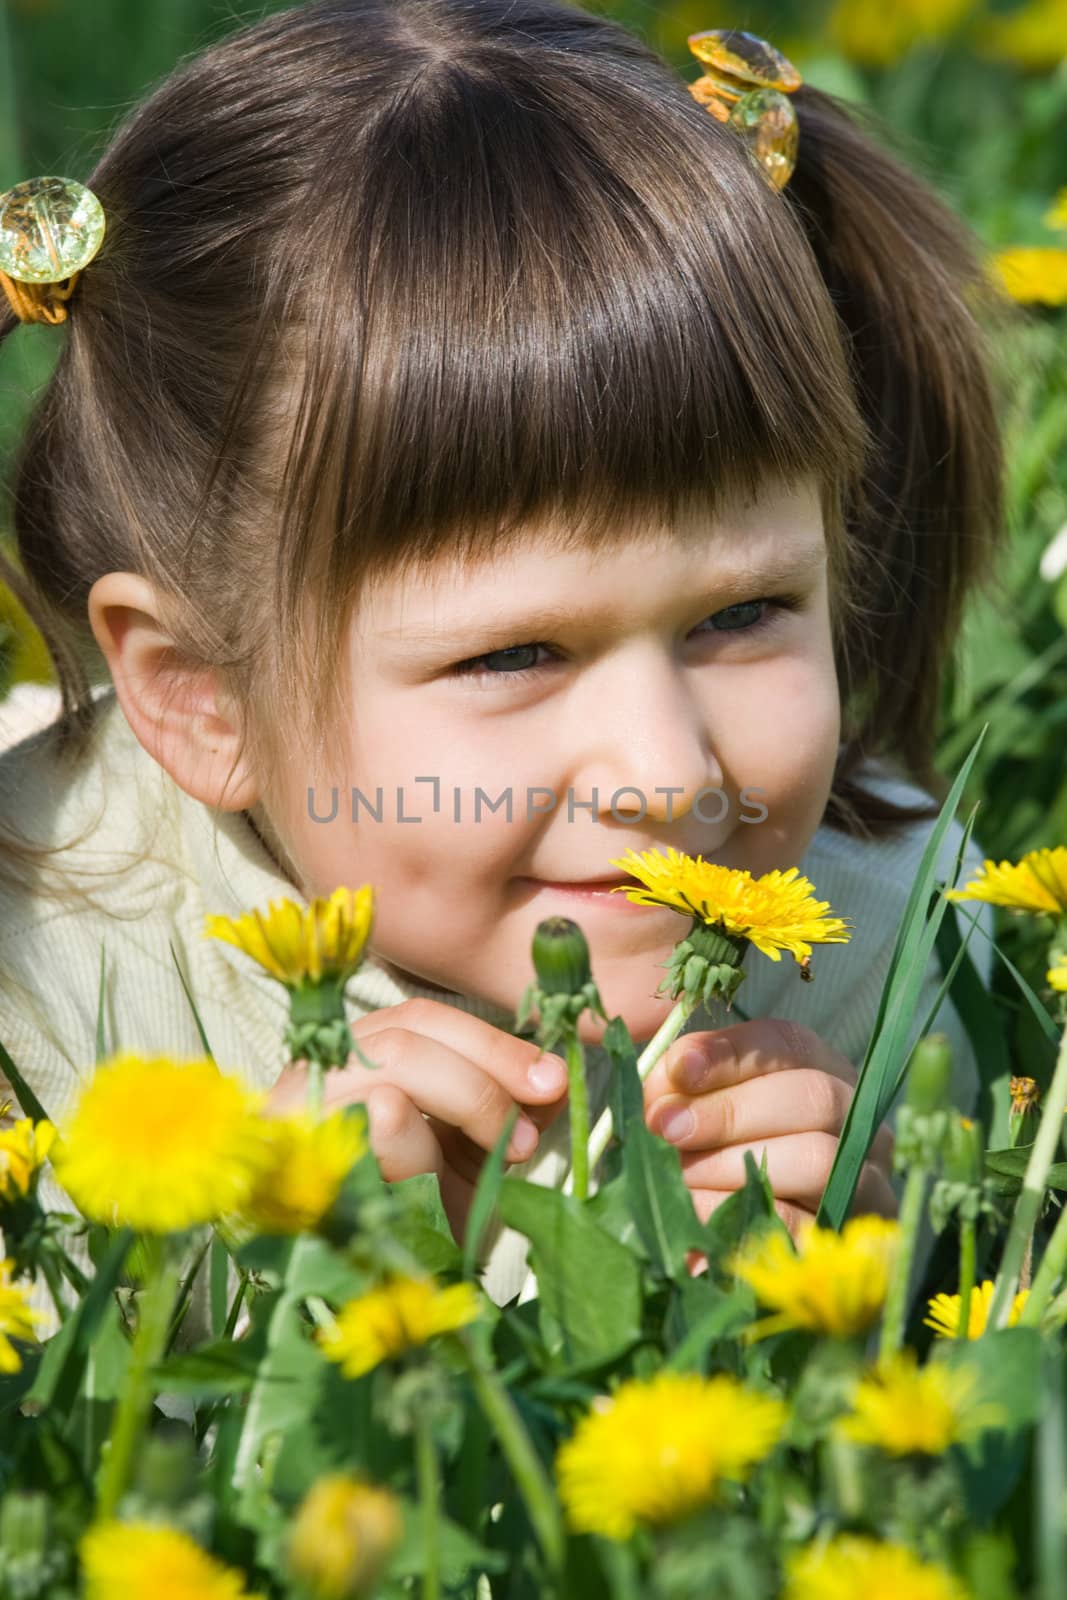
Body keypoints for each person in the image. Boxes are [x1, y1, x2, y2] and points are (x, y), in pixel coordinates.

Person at [0, 0, 1003, 1318]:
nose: (662, 772)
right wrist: (264, 1285)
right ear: (204, 696)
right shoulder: (41, 986)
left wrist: (895, 1274)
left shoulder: (920, 945)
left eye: (742, 614)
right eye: (515, 653)